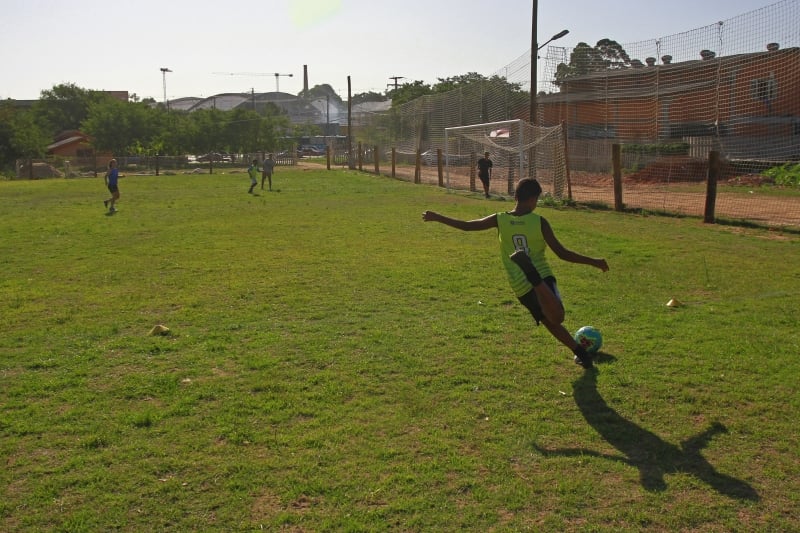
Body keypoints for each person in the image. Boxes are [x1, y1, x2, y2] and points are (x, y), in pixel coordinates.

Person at [422, 177, 609, 368]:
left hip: (519, 283)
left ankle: (581, 354)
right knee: (557, 317)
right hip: (542, 276)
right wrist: (593, 261)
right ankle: (534, 276)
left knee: (547, 320)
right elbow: (562, 253)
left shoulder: (500, 219)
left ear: (516, 196)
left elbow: (468, 225)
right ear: (532, 199)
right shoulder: (539, 222)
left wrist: (438, 217)